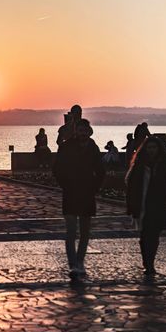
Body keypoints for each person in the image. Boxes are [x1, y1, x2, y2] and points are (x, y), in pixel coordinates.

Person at [53, 119, 105, 279]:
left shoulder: (93, 148)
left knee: (84, 231)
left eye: (85, 130)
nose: (82, 133)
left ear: (89, 131)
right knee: (71, 230)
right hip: (70, 192)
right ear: (76, 131)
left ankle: (80, 261)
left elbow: (101, 170)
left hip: (87, 193)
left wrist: (95, 187)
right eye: (80, 130)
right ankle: (72, 263)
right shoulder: (66, 147)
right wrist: (65, 184)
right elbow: (57, 168)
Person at [126, 136, 166, 276]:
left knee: (155, 235)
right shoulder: (139, 165)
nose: (151, 150)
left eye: (154, 147)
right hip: (144, 203)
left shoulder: (164, 164)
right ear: (145, 149)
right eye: (149, 147)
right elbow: (128, 179)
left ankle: (150, 262)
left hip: (158, 204)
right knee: (145, 235)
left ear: (158, 149)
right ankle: (147, 263)